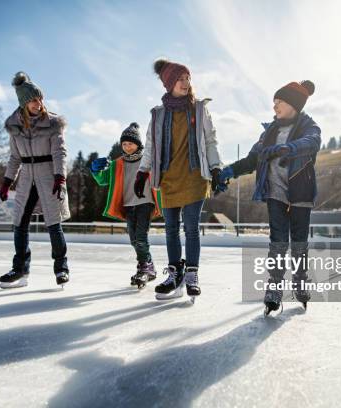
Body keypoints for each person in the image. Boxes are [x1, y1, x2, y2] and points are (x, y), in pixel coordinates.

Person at [217, 80, 321, 312]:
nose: (274, 107)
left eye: (279, 102)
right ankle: (274, 288)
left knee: (299, 244)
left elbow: (312, 142)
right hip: (275, 194)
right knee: (277, 243)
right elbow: (251, 160)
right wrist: (229, 172)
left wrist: (288, 149)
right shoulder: (268, 134)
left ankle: (300, 282)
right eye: (274, 102)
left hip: (300, 195)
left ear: (293, 104)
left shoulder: (308, 126)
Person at [135, 59, 224, 301]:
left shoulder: (199, 109)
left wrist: (216, 168)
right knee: (171, 229)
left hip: (195, 176)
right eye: (180, 79)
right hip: (168, 178)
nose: (186, 83)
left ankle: (192, 274)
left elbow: (210, 140)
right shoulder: (158, 115)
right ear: (169, 84)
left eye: (188, 78)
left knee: (191, 228)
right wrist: (143, 172)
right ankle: (175, 273)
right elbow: (151, 146)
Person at [0, 72, 70, 289]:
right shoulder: (15, 127)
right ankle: (20, 269)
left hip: (49, 176)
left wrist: (60, 177)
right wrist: (6, 181)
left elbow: (60, 153)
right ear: (23, 103)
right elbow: (14, 157)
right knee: (19, 224)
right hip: (27, 178)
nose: (38, 104)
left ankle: (61, 268)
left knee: (53, 224)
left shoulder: (53, 124)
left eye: (40, 99)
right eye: (33, 100)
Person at [90, 122, 163, 288]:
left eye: (130, 143)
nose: (127, 147)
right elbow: (102, 180)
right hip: (129, 204)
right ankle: (148, 265)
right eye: (124, 144)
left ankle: (144, 267)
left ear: (138, 144)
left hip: (146, 202)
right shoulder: (117, 164)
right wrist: (95, 170)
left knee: (141, 236)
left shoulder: (148, 160)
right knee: (133, 239)